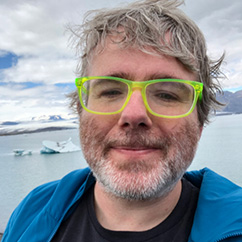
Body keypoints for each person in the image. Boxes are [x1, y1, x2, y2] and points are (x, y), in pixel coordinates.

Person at [3, 0, 242, 241]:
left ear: (199, 123)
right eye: (110, 92)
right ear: (80, 111)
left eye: (167, 94)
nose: (134, 114)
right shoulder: (31, 212)